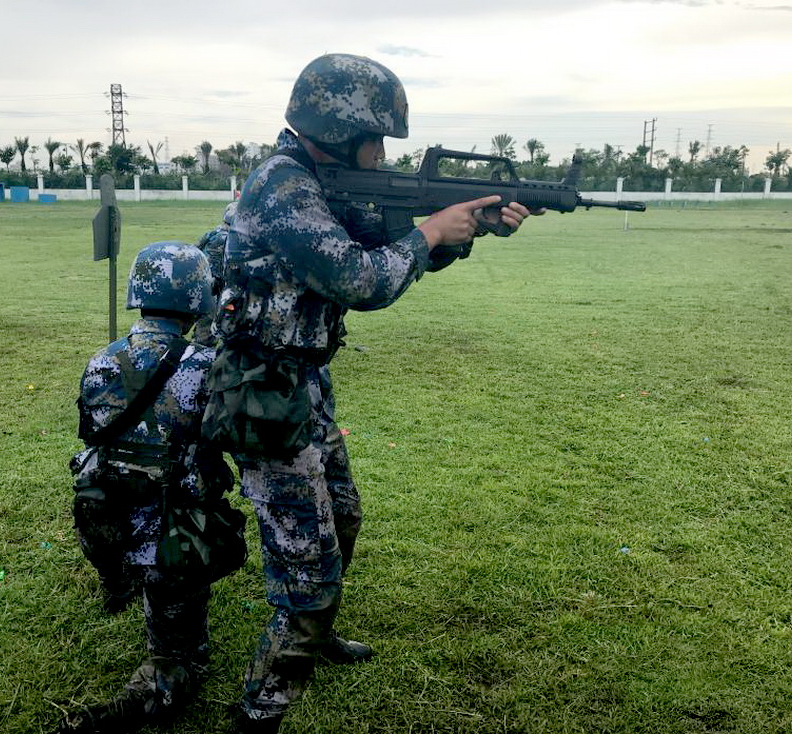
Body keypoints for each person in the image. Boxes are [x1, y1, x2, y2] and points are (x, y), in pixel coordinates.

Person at [211, 53, 539, 733]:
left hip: (302, 383)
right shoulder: (284, 187)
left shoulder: (320, 182)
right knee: (308, 562)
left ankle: (318, 635)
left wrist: (463, 230)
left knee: (345, 516)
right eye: (377, 135)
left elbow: (381, 240)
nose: (384, 151)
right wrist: (428, 235)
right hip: (262, 391)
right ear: (335, 126)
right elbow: (363, 281)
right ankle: (259, 710)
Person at [62, 241, 234, 734]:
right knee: (184, 656)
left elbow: (94, 431)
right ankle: (131, 706)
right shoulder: (205, 365)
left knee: (144, 585)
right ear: (198, 295)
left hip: (109, 516)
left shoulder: (102, 359)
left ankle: (118, 583)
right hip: (173, 533)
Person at [192, 201, 237, 347]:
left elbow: (193, 251)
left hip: (202, 283)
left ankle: (198, 348)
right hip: (219, 286)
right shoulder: (233, 239)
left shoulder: (211, 233)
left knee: (205, 321)